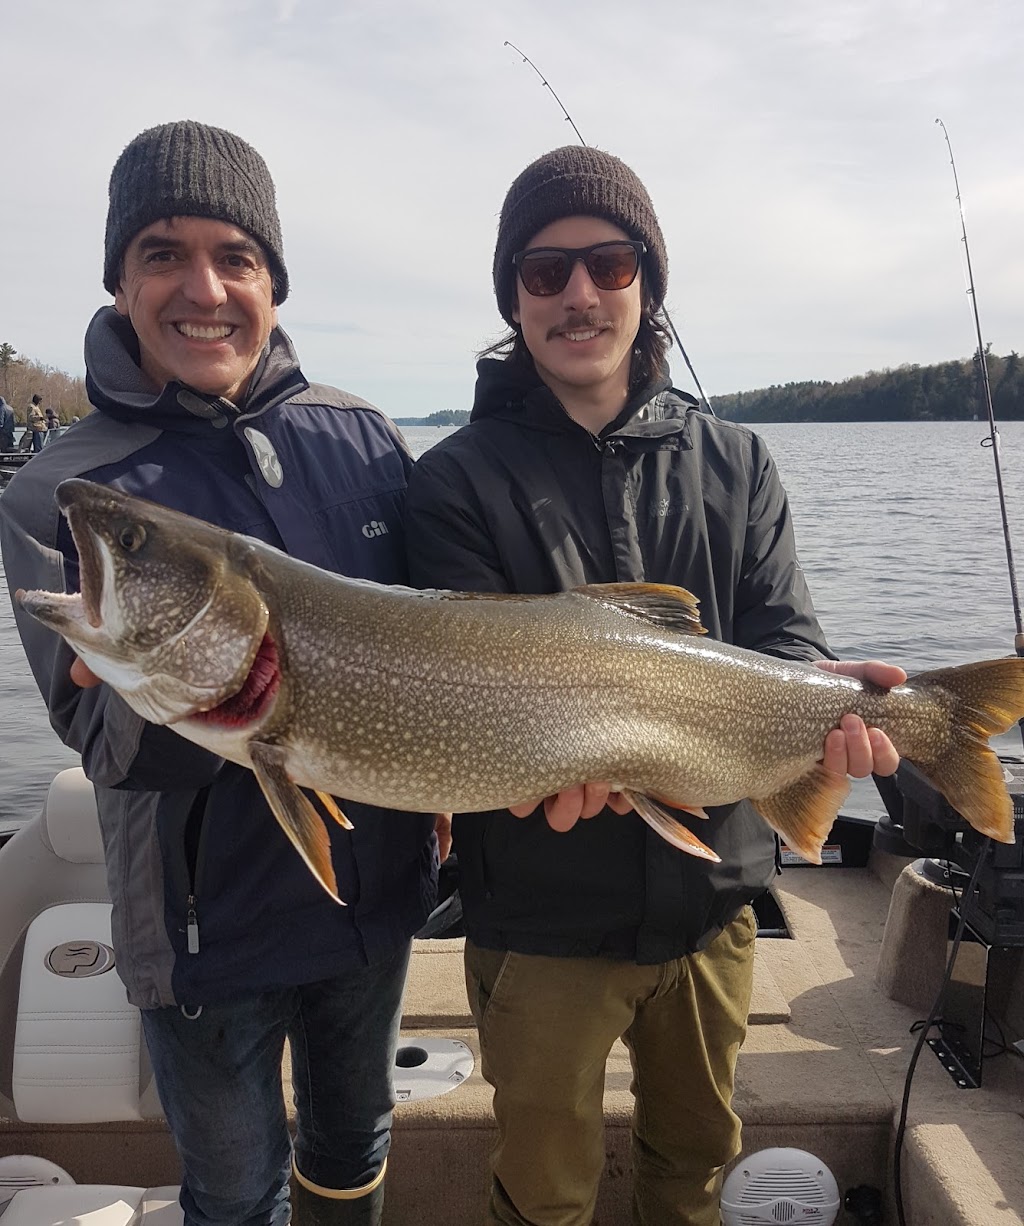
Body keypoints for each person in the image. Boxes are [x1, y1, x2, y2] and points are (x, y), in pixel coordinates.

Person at [403, 145, 905, 1226]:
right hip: (538, 919)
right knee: (543, 1190)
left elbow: (783, 640)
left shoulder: (739, 461)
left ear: (647, 283)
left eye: (610, 262)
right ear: (514, 299)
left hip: (715, 900)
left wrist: (832, 703)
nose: (579, 293)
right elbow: (474, 697)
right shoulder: (451, 478)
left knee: (694, 1166)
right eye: (544, 273)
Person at [0, 120, 439, 1226]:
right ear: (119, 278)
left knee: (355, 1141)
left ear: (273, 282)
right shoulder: (67, 488)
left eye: (235, 256)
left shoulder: (367, 438)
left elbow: (442, 647)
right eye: (162, 251)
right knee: (236, 1188)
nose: (204, 287)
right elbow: (93, 738)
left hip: (365, 896)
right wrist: (185, 687)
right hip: (201, 931)